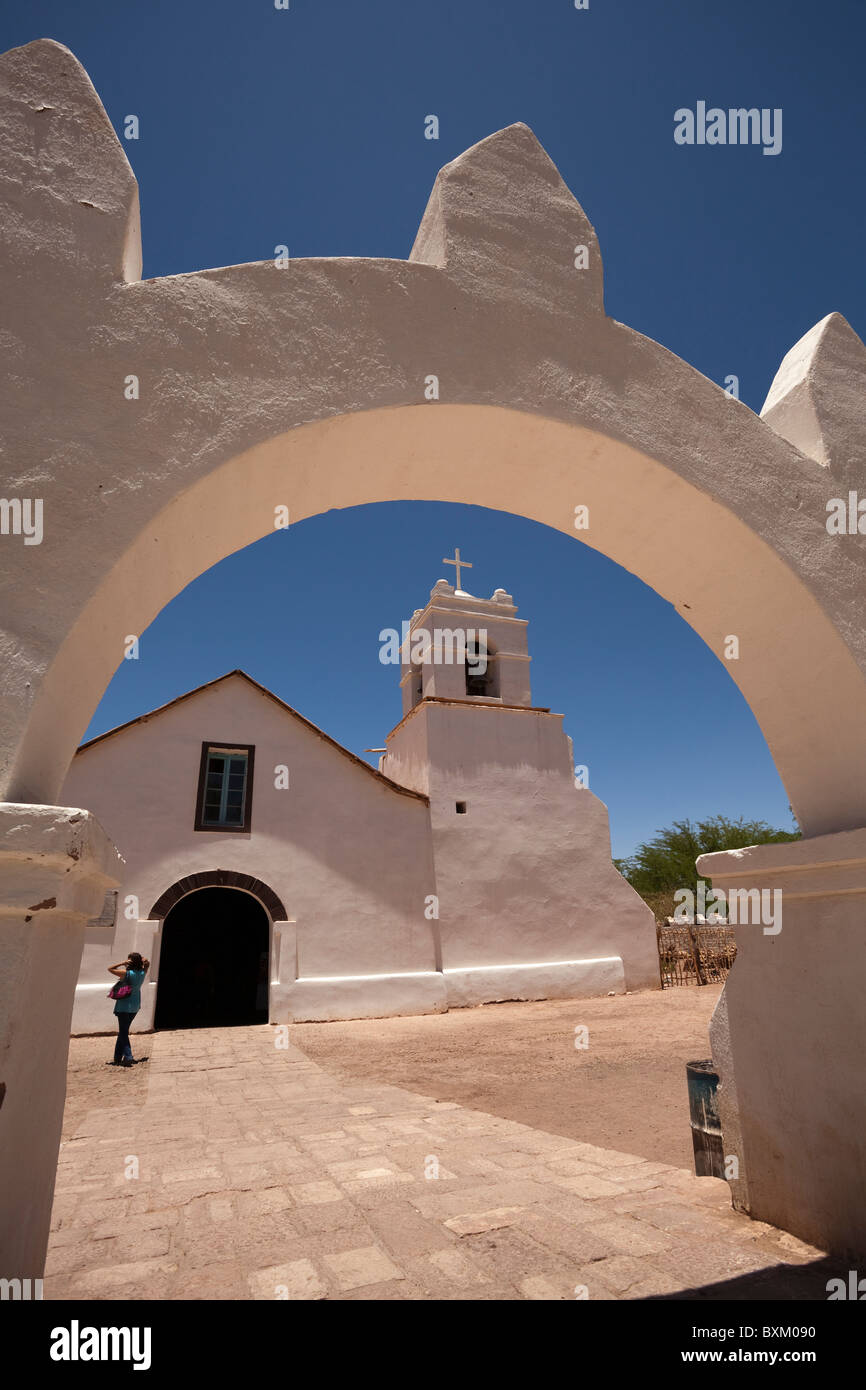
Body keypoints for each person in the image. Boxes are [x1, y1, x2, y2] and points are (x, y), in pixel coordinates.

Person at [108, 953, 149, 1067]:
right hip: (135, 1005)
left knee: (123, 1032)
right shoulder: (142, 973)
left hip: (124, 1005)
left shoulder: (126, 973)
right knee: (123, 1031)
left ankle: (128, 1056)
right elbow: (147, 963)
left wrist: (122, 963)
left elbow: (110, 969)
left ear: (130, 962)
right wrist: (142, 961)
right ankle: (117, 1057)